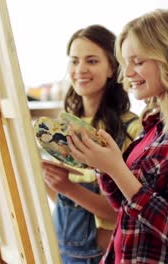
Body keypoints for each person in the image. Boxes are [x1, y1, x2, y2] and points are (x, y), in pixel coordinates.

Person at [67, 9, 168, 263]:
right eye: (126, 61)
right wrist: (105, 166)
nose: (127, 72)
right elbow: (125, 208)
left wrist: (117, 168)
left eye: (138, 62)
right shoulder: (156, 125)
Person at [42, 25, 142, 264]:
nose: (80, 70)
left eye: (92, 61)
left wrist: (67, 188)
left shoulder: (132, 129)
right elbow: (64, 202)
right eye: (74, 61)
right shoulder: (64, 128)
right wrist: (48, 180)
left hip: (102, 257)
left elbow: (127, 212)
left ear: (112, 68)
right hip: (65, 253)